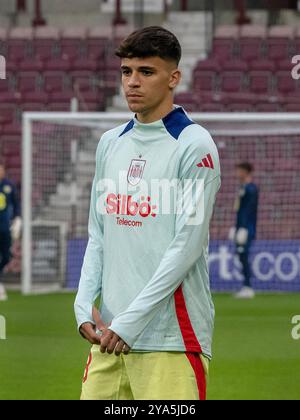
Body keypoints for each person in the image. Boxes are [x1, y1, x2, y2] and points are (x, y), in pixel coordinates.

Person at [74, 26, 221, 400]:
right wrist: (83, 307)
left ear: (174, 78)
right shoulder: (110, 143)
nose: (132, 82)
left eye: (146, 72)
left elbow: (185, 248)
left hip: (169, 340)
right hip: (109, 339)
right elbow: (99, 234)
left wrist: (130, 323)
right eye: (127, 72)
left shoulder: (194, 145)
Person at [229, 162, 259, 299]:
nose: (237, 173)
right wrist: (236, 227)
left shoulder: (251, 189)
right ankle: (246, 286)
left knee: (244, 254)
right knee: (241, 255)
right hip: (241, 227)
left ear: (246, 172)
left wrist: (244, 228)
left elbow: (248, 211)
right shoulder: (243, 187)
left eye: (240, 170)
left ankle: (248, 287)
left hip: (247, 228)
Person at [0, 162, 22, 301]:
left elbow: (16, 204)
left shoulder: (9, 186)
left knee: (7, 256)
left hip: (5, 228)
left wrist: (18, 219)